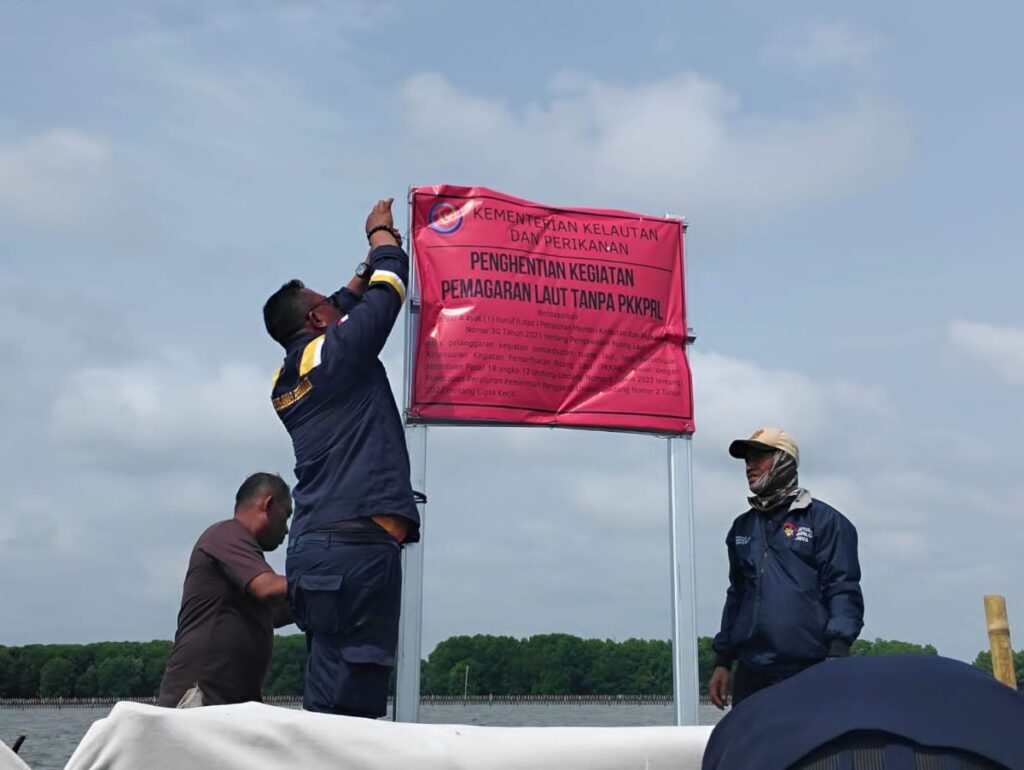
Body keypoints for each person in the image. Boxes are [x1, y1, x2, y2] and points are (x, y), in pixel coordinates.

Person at [262, 197, 420, 718]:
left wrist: (351, 279)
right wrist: (381, 240)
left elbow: (337, 306)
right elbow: (388, 292)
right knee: (350, 714)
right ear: (317, 319)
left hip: (318, 551)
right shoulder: (336, 355)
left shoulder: (289, 375)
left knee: (330, 704)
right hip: (354, 553)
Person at [708, 427, 864, 709]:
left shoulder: (826, 521)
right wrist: (723, 661)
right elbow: (737, 596)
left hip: (808, 668)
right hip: (750, 670)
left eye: (758, 457)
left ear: (783, 461)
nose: (749, 466)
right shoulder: (741, 527)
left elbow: (843, 588)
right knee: (751, 750)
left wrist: (838, 654)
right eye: (746, 459)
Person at [158, 472, 293, 707]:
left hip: (228, 703)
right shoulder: (227, 535)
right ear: (269, 504)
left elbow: (276, 613)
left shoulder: (246, 558)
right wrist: (329, 582)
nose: (287, 528)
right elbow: (268, 587)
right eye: (287, 515)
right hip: (198, 698)